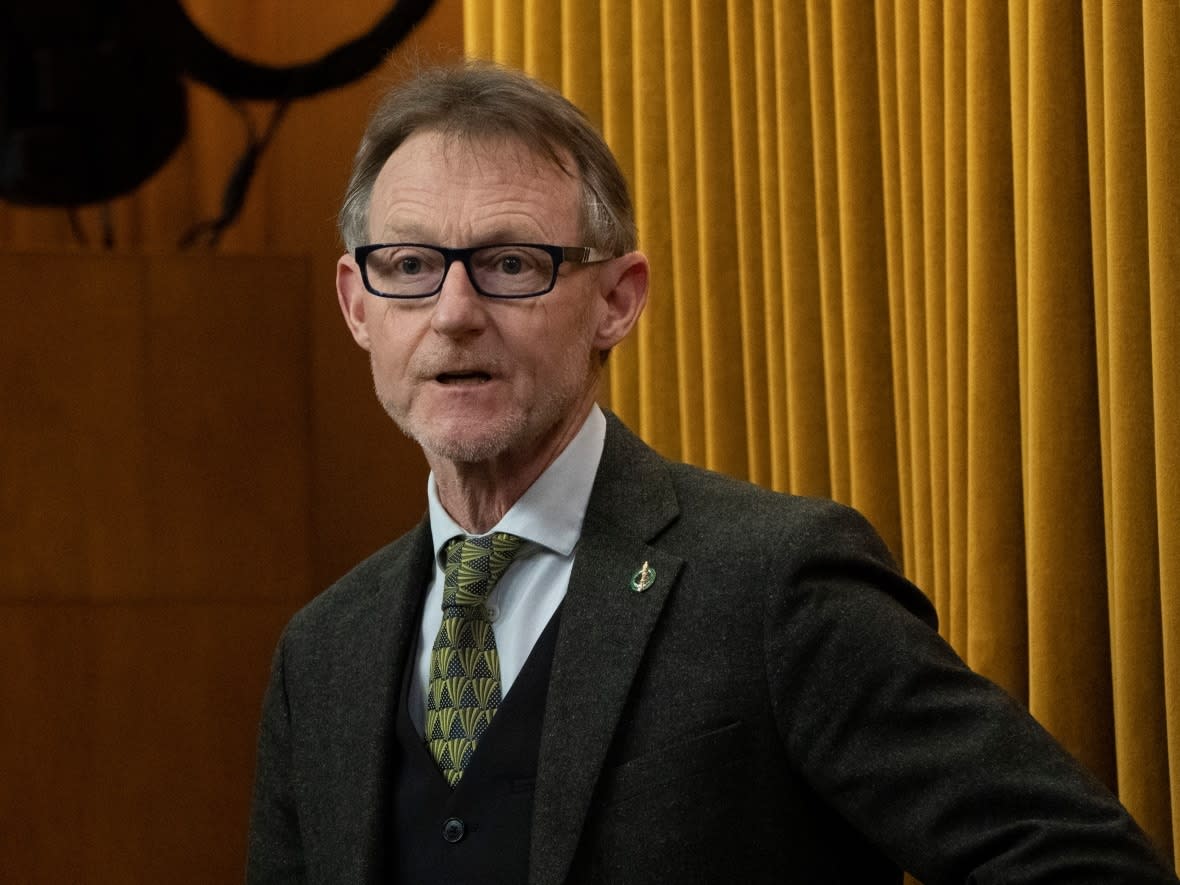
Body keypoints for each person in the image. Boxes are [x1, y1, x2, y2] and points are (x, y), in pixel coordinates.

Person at [246, 61, 1178, 884]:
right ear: (358, 305)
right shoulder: (321, 654)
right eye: (408, 265)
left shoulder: (776, 582)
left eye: (511, 263)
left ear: (617, 301)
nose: (453, 312)